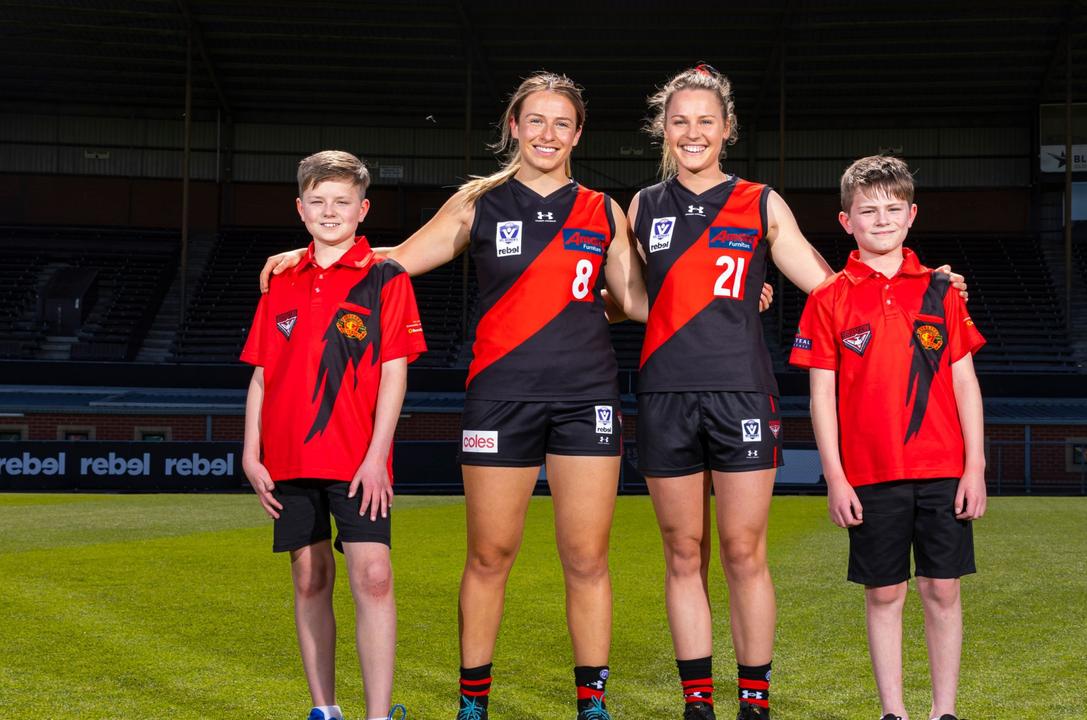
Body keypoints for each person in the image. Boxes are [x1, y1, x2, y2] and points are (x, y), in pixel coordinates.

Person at [260, 73, 648, 720]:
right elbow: (398, 260)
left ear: (577, 133)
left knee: (586, 557)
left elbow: (636, 301)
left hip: (588, 398)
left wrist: (724, 300)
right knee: (490, 555)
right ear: (513, 127)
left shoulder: (603, 210)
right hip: (499, 398)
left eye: (562, 123)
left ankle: (592, 705)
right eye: (535, 121)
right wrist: (310, 254)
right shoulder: (478, 203)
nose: (547, 134)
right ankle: (474, 704)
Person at [631, 66, 968, 720]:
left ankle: (753, 702)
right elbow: (622, 297)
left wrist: (927, 281)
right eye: (680, 121)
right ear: (663, 130)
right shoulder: (643, 206)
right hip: (665, 392)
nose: (693, 132)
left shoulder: (759, 202)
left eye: (706, 121)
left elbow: (832, 287)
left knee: (742, 550)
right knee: (682, 552)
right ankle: (697, 704)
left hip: (742, 395)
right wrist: (703, 298)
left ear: (727, 129)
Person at [789, 155, 987, 720]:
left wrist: (975, 467)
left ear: (912, 215)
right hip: (871, 473)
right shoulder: (828, 297)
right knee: (884, 594)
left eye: (892, 209)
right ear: (846, 220)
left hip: (943, 467)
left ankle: (943, 711)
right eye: (867, 210)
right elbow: (821, 396)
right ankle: (892, 712)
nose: (881, 219)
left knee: (943, 591)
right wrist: (836, 477)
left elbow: (965, 385)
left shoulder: (941, 290)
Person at [242, 150, 423, 720]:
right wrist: (250, 453)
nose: (329, 211)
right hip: (288, 458)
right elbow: (262, 374)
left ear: (362, 208)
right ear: (300, 209)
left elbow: (395, 372)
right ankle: (325, 709)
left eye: (342, 202)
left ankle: (378, 714)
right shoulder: (279, 281)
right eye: (317, 201)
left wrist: (377, 457)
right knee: (310, 575)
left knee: (373, 575)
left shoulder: (386, 278)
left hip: (357, 461)